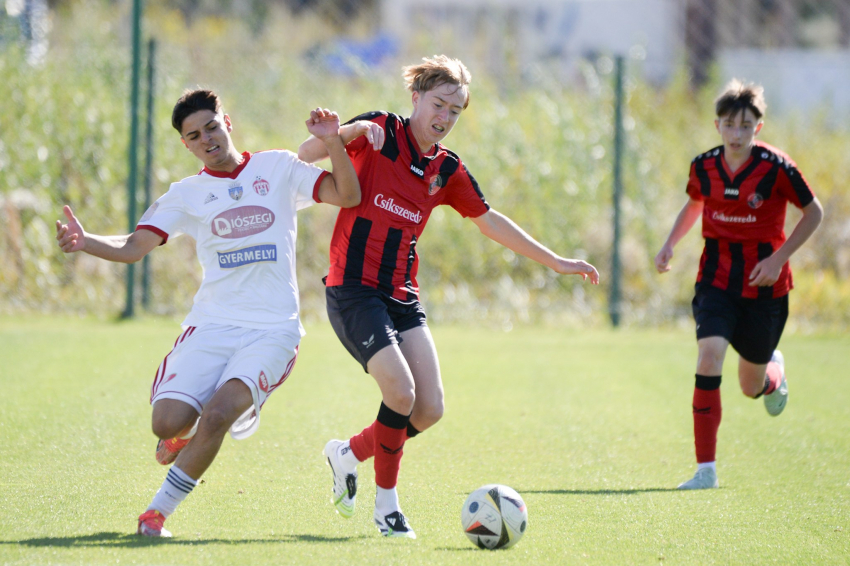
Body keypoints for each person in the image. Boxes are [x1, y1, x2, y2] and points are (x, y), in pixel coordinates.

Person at [298, 55, 599, 538]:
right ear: (416, 98)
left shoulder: (447, 168)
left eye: (455, 110)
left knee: (429, 409)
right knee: (401, 393)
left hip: (401, 295)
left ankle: (348, 453)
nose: (444, 117)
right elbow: (307, 152)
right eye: (438, 104)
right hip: (352, 289)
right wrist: (347, 133)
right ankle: (387, 509)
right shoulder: (380, 129)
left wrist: (558, 261)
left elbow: (490, 221)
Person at [55, 89, 361, 536]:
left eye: (212, 127)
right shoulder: (187, 194)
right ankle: (184, 433)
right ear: (186, 144)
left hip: (272, 331)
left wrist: (333, 140)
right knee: (165, 422)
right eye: (194, 135)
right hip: (212, 326)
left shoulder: (277, 168)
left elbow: (347, 195)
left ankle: (156, 513)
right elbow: (134, 246)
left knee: (217, 415)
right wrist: (86, 242)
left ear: (227, 122)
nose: (207, 139)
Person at [654, 79, 823, 490]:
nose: (736, 133)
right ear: (717, 125)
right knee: (708, 357)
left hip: (765, 288)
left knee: (750, 387)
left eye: (745, 126)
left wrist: (778, 259)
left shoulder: (777, 167)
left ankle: (773, 373)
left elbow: (814, 213)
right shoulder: (703, 166)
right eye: (729, 125)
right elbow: (695, 203)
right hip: (716, 280)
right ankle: (705, 471)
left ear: (757, 128)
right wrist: (670, 243)